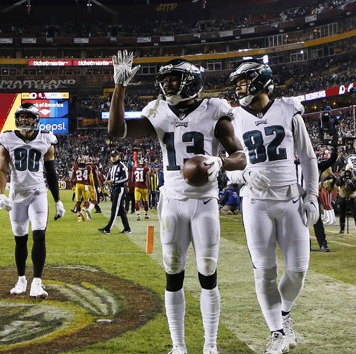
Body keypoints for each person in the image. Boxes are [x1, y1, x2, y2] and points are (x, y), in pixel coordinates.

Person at [108, 50, 247, 354]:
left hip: (205, 201)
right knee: (173, 273)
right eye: (165, 80)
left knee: (208, 272)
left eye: (174, 79)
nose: (168, 85)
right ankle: (179, 347)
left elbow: (241, 157)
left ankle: (210, 346)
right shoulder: (158, 111)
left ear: (191, 81)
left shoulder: (214, 110)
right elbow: (116, 131)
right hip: (172, 201)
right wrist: (119, 88)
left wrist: (220, 162)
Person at [227, 59, 319, 353]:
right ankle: (277, 332)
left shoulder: (288, 109)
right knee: (265, 271)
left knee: (298, 270)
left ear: (259, 81)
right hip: (256, 201)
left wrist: (312, 195)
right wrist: (244, 173)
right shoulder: (233, 118)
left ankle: (284, 315)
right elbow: (227, 165)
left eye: (243, 81)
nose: (239, 87)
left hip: (291, 198)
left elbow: (308, 158)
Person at [0, 103, 65, 299]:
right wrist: (1, 194)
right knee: (20, 239)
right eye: (21, 116)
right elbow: (1, 169)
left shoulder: (46, 138)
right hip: (16, 194)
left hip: (38, 193)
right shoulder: (7, 138)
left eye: (28, 116)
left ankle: (37, 282)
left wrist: (58, 200)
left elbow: (51, 172)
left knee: (39, 235)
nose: (24, 120)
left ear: (36, 119)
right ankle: (20, 280)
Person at [98, 150, 131, 234]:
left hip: (119, 189)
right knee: (121, 210)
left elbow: (126, 178)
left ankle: (108, 229)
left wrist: (114, 182)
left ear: (118, 156)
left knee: (114, 208)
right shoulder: (112, 167)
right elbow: (109, 177)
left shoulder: (122, 166)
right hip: (114, 189)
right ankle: (127, 228)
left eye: (114, 156)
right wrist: (107, 181)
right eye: (112, 156)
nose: (113, 158)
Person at [315, 146, 338, 251]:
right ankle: (303, 244)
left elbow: (332, 160)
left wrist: (335, 147)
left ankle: (323, 244)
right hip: (297, 197)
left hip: (312, 197)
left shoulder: (318, 166)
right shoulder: (295, 165)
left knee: (317, 221)